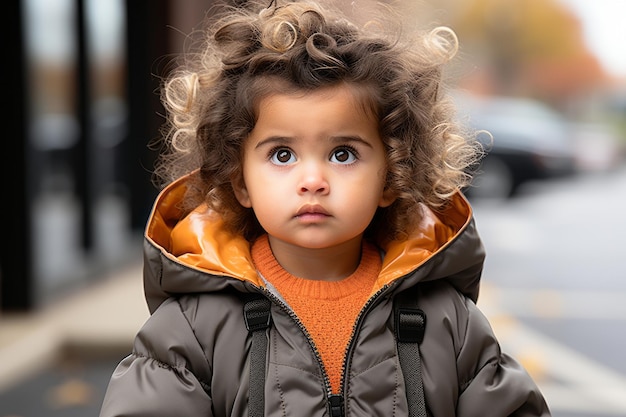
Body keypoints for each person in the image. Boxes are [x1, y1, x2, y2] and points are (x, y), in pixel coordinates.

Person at [99, 0, 551, 416]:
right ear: (240, 181)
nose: (312, 181)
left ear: (392, 175)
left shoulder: (447, 322)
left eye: (343, 154)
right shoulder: (191, 329)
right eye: (281, 155)